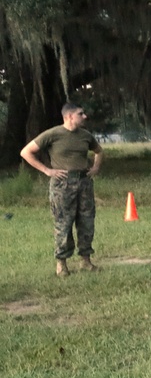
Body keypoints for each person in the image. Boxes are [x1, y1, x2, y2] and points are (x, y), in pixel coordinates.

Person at [20, 103, 104, 276]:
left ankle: (86, 261)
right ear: (69, 116)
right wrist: (47, 170)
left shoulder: (85, 136)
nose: (85, 116)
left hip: (84, 183)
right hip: (62, 185)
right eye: (81, 114)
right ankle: (61, 264)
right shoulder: (53, 134)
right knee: (63, 223)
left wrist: (95, 168)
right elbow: (26, 152)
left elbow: (99, 151)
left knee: (86, 221)